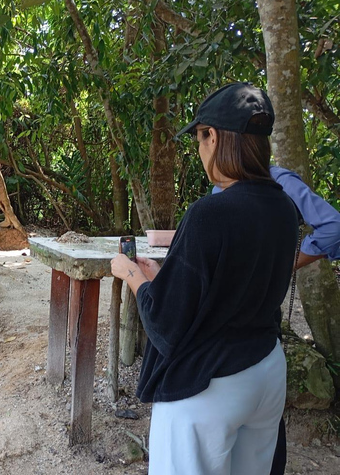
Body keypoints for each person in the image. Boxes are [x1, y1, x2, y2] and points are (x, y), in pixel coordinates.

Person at [111, 82, 299, 474]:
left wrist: (132, 276)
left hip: (207, 385)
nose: (199, 150)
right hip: (265, 370)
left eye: (199, 138)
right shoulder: (283, 208)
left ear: (211, 136)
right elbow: (233, 283)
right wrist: (163, 277)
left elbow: (165, 325)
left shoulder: (209, 213)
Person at [215, 165, 340, 475]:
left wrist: (288, 262)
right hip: (219, 324)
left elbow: (333, 226)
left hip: (259, 322)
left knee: (264, 426)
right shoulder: (218, 186)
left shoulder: (278, 180)